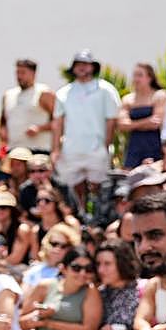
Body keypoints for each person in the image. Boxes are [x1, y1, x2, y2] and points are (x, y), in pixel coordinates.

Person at [52, 49, 121, 213]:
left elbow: (111, 119)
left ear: (92, 67)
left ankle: (97, 215)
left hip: (97, 148)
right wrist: (55, 149)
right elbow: (58, 122)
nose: (82, 68)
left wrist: (106, 144)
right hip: (72, 148)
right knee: (76, 185)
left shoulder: (106, 89)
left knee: (99, 186)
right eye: (78, 64)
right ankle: (81, 213)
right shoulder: (63, 92)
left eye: (85, 64)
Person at [19, 247, 103, 330]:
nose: (83, 273)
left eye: (88, 269)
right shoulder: (44, 286)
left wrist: (48, 324)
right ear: (63, 268)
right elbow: (21, 323)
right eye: (76, 268)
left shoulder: (91, 291)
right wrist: (39, 314)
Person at [132, 193, 166, 330]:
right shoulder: (155, 285)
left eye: (155, 235)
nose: (143, 247)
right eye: (137, 238)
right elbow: (141, 320)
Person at [0, 58, 56, 155]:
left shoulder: (44, 93)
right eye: (17, 72)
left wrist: (40, 128)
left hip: (37, 151)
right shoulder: (8, 94)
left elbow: (59, 121)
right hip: (14, 151)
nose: (19, 76)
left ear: (33, 74)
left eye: (23, 73)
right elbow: (3, 122)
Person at [119, 62, 166, 169]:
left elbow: (156, 123)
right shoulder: (128, 99)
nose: (136, 79)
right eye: (134, 75)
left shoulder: (159, 95)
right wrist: (146, 121)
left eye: (140, 75)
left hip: (154, 145)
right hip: (134, 146)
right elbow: (122, 125)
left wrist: (132, 124)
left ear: (150, 77)